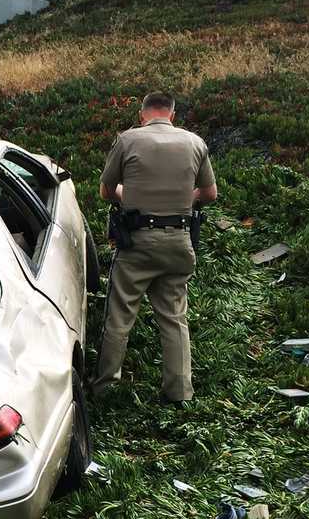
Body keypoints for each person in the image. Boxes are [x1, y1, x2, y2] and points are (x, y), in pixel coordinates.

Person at [92, 92, 218, 406]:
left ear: (142, 114)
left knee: (120, 316)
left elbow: (106, 191)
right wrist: (180, 202)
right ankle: (180, 392)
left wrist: (128, 194)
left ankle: (105, 387)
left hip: (138, 243)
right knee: (174, 317)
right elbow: (210, 193)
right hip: (179, 241)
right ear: (172, 115)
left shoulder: (127, 140)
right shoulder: (195, 143)